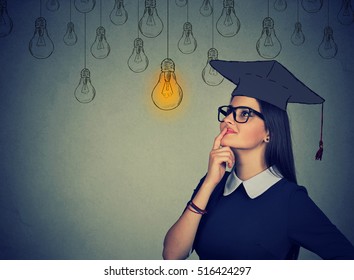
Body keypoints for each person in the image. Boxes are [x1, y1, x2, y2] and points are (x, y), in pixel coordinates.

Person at [162, 60, 354, 260]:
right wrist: (210, 182)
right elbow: (172, 256)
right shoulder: (212, 186)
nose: (228, 119)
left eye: (244, 113)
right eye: (228, 111)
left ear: (269, 131)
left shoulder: (290, 200)